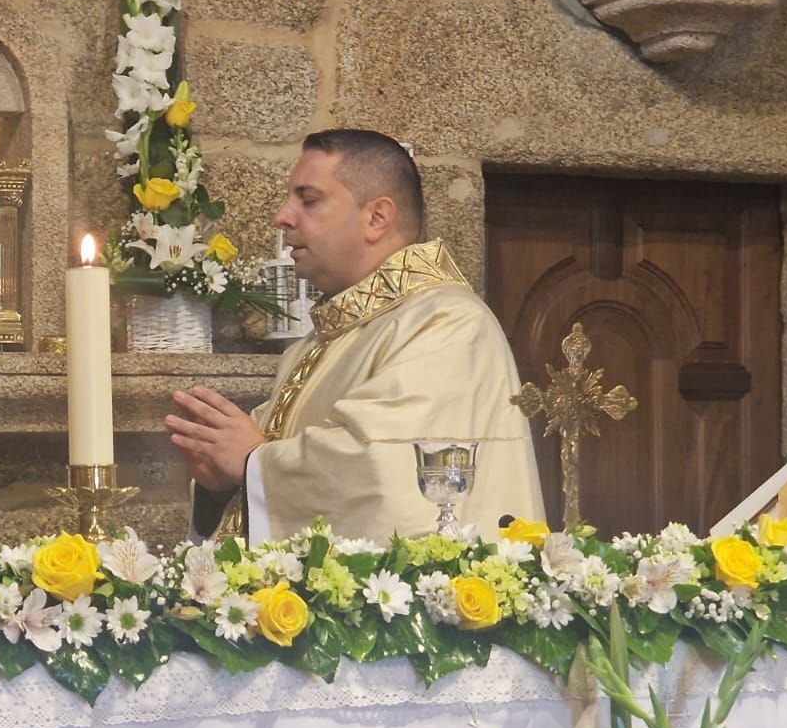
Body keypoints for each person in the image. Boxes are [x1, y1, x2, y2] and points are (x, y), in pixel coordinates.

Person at [165, 129, 544, 544]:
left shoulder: (447, 323)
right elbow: (251, 457)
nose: (282, 216)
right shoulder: (316, 345)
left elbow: (386, 473)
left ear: (377, 218)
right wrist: (219, 482)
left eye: (308, 200)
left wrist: (255, 464)